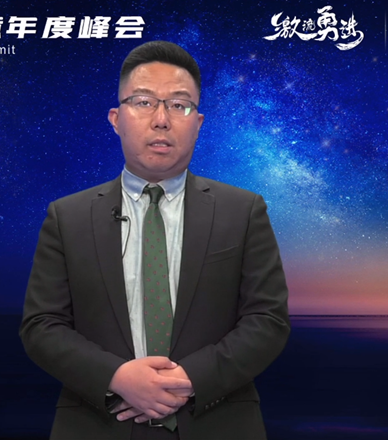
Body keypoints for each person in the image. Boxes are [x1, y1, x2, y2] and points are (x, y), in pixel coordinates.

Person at [20, 41, 290, 440]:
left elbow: (268, 319)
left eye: (179, 105)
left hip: (217, 422)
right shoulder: (67, 216)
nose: (161, 120)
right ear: (116, 118)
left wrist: (187, 380)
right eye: (144, 102)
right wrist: (117, 377)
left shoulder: (244, 210)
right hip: (98, 425)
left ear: (198, 122)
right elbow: (41, 325)